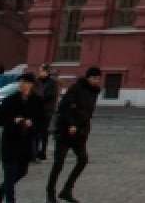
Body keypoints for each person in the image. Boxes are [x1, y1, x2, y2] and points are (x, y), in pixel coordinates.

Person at [45, 65, 100, 203]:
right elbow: (64, 108)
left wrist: (83, 128)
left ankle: (66, 190)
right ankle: (50, 193)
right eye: (93, 78)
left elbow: (88, 113)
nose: (96, 81)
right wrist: (70, 124)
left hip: (80, 133)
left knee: (83, 160)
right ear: (87, 78)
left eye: (98, 78)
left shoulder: (94, 92)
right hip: (65, 132)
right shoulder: (75, 89)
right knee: (58, 164)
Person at [0, 70, 41, 201]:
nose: (22, 84)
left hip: (26, 141)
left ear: (31, 85)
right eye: (20, 82)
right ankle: (10, 199)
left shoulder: (36, 101)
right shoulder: (10, 100)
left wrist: (31, 122)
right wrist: (13, 120)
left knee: (22, 171)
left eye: (25, 82)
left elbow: (42, 119)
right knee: (9, 173)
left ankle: (2, 188)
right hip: (10, 140)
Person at [31, 66, 57, 163]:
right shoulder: (37, 81)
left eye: (43, 71)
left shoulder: (51, 83)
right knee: (36, 132)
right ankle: (35, 151)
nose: (41, 73)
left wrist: (40, 97)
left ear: (47, 72)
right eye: (41, 71)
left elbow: (50, 95)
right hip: (37, 111)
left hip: (46, 111)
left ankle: (43, 151)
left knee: (44, 132)